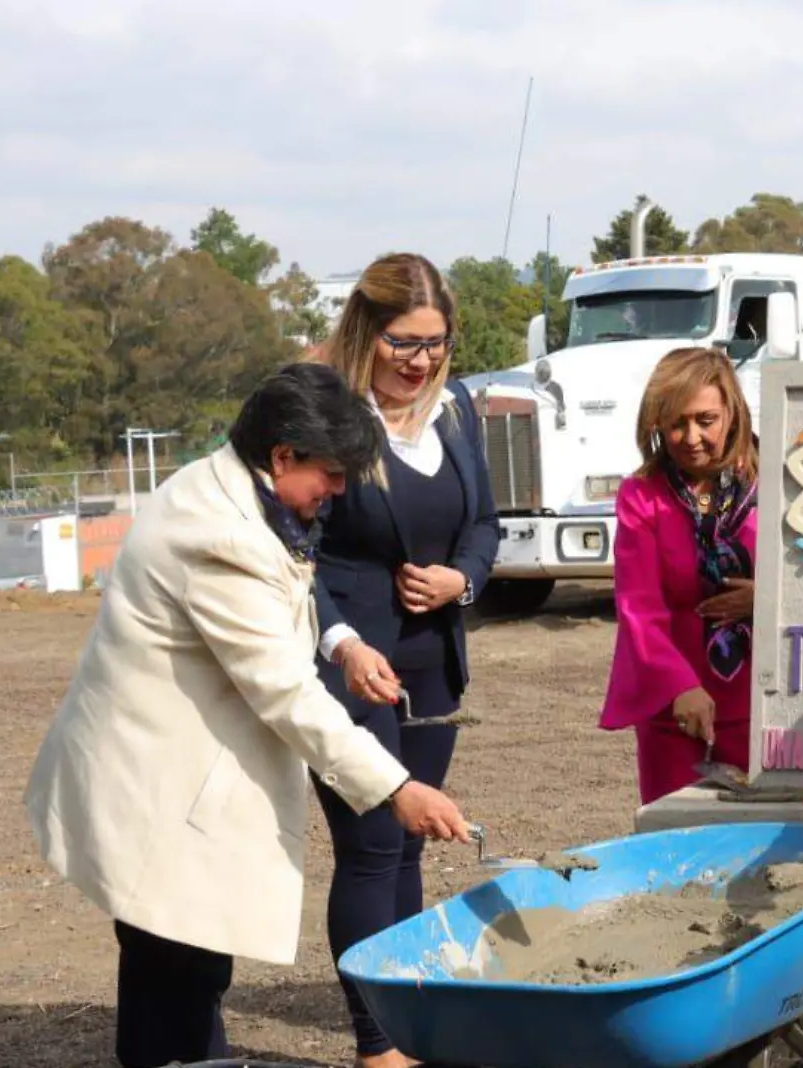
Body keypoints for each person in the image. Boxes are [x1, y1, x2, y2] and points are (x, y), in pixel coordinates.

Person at [23, 363, 473, 1068]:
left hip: (176, 776)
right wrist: (395, 788)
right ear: (282, 455)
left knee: (179, 969)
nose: (338, 490)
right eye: (329, 473)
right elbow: (284, 689)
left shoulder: (236, 490)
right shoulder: (219, 534)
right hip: (155, 787)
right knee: (177, 973)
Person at [309, 253, 499, 1068]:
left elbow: (485, 524)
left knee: (412, 845)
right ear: (366, 329)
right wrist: (340, 643)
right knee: (371, 849)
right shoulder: (328, 413)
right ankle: (377, 1043)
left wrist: (466, 580)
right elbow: (291, 554)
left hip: (432, 665)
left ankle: (412, 1019)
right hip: (351, 662)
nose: (420, 361)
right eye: (403, 342)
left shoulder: (455, 407)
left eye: (435, 343)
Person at [600, 347, 759, 805]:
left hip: (765, 707)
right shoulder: (641, 495)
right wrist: (679, 686)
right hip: (677, 712)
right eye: (675, 423)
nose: (691, 437)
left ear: (732, 411)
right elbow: (638, 606)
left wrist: (769, 599)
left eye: (705, 420)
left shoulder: (780, 481)